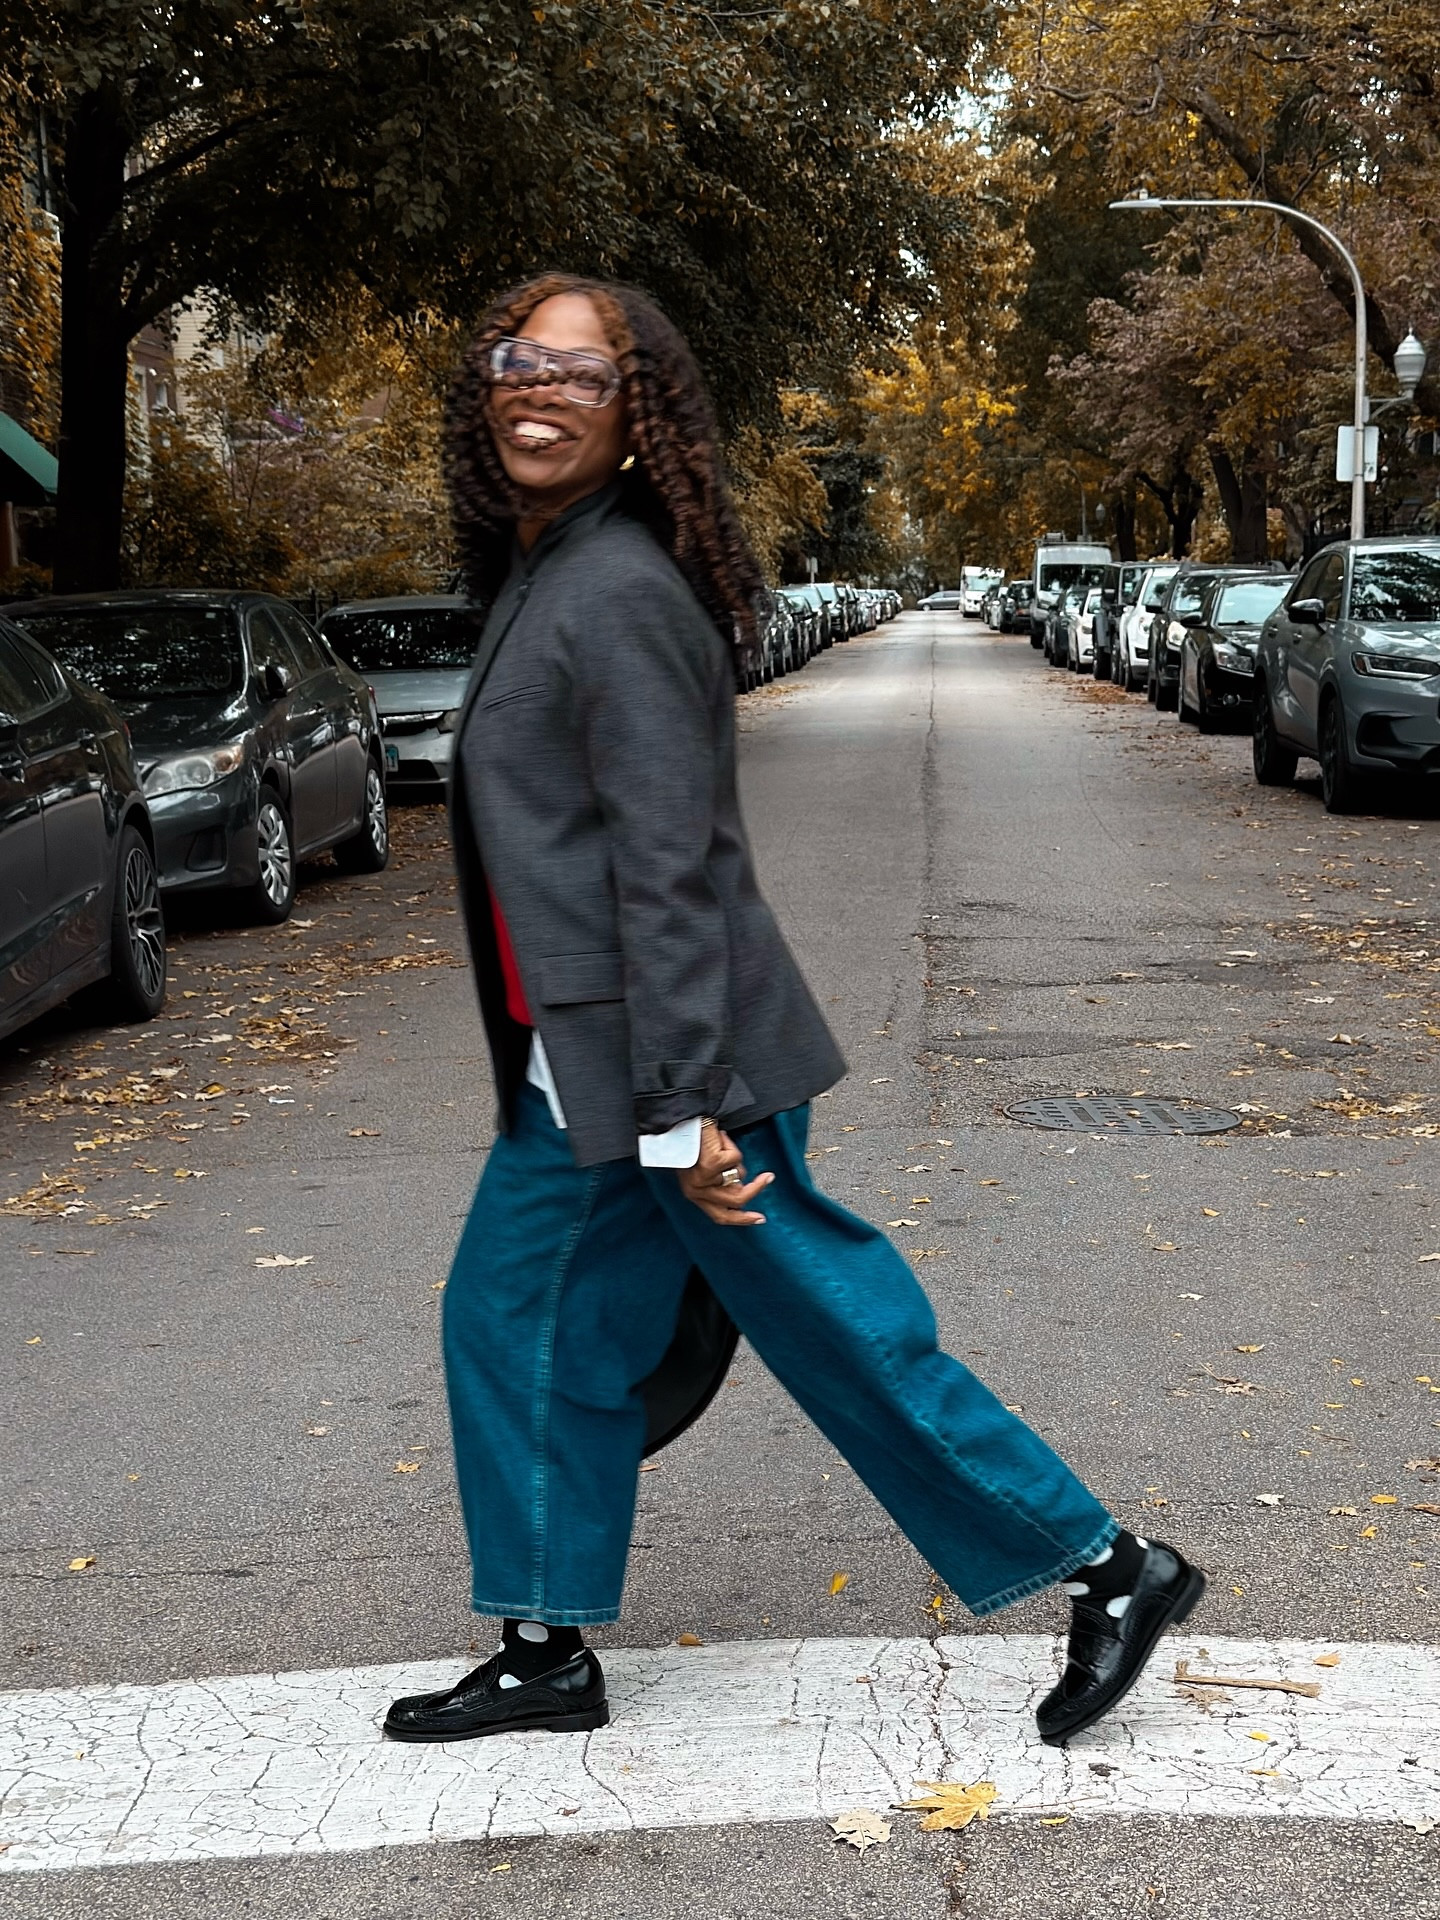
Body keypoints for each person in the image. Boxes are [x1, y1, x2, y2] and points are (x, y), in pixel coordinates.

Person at [383, 273, 1204, 1751]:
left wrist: (685, 1106)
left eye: (582, 374)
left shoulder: (618, 590)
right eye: (520, 362)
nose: (540, 391)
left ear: (640, 419)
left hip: (667, 1064)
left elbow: (674, 865)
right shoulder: (550, 572)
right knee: (517, 1320)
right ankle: (544, 1641)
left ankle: (1110, 1568)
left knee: (837, 1328)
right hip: (588, 1068)